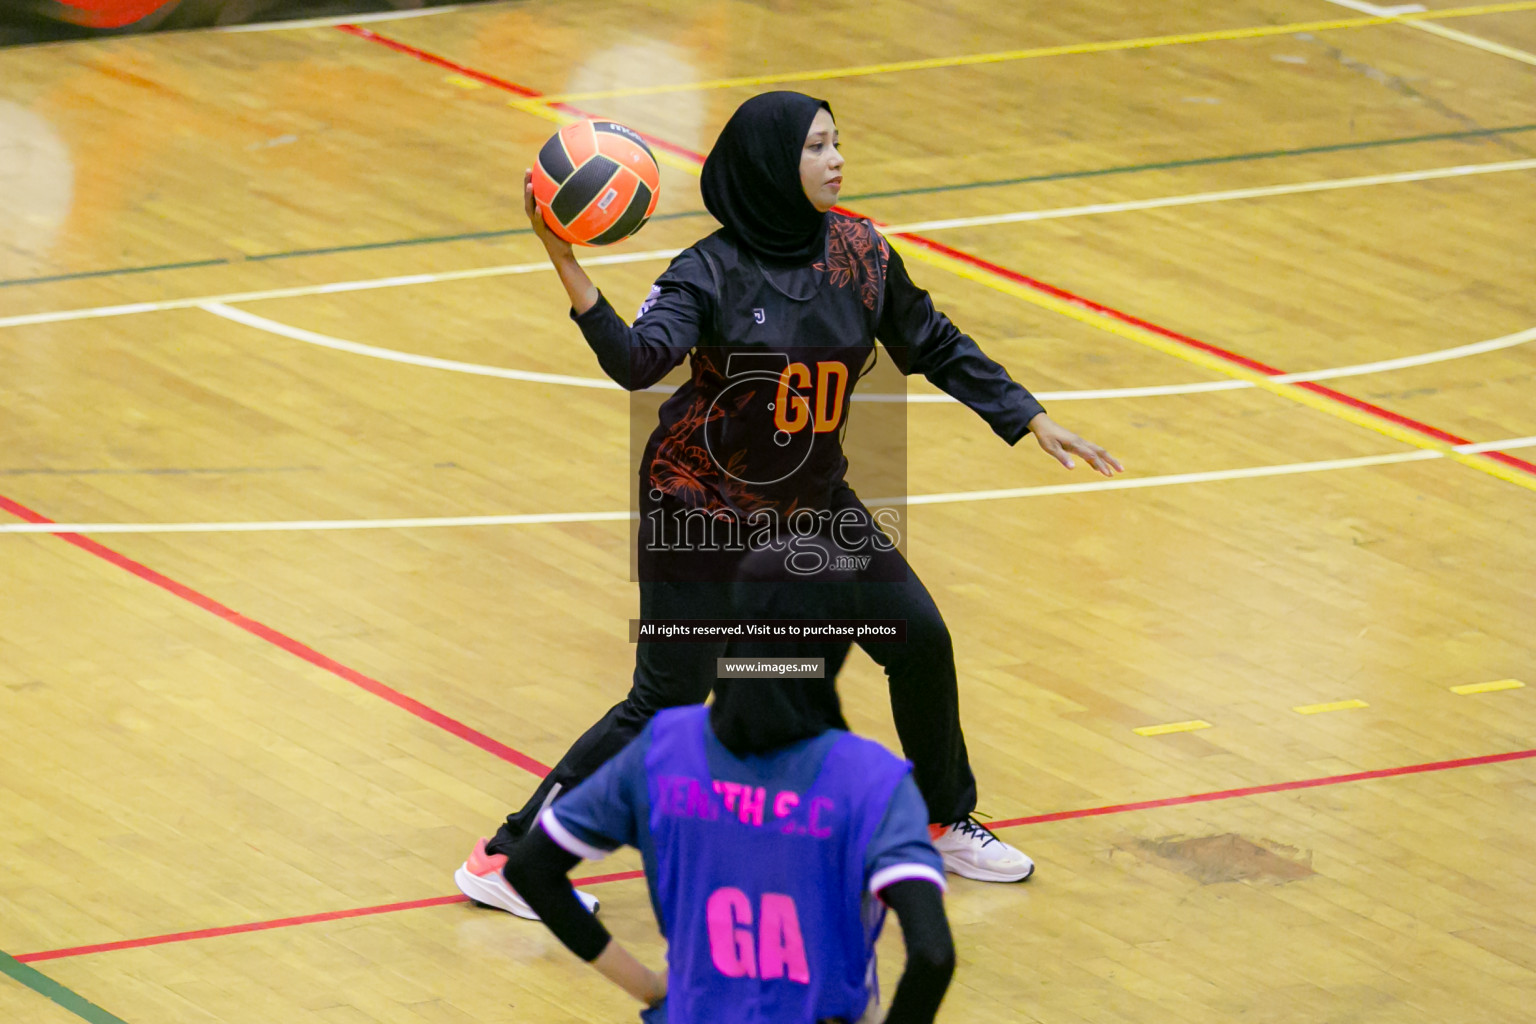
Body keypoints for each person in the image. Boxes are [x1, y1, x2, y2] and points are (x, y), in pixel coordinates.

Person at [455, 91, 1123, 917]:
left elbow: (933, 340)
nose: (837, 158)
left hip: (810, 501)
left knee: (918, 638)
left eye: (838, 141)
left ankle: (945, 820)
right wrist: (563, 260)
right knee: (666, 698)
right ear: (772, 164)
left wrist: (1028, 416)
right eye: (817, 147)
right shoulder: (706, 271)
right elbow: (637, 361)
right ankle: (510, 860)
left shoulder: (862, 254)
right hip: (698, 505)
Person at [498, 662, 956, 1024]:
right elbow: (933, 956)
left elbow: (529, 869)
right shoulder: (869, 776)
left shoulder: (666, 747)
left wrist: (649, 987)